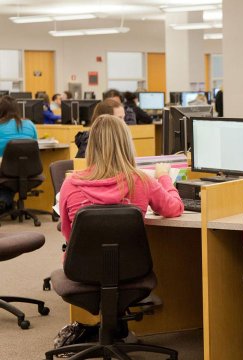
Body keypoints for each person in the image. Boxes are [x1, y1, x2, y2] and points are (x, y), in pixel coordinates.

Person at [58, 114, 183, 341]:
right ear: (126, 143)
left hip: (81, 270)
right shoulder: (142, 181)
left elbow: (68, 234)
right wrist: (164, 177)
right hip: (132, 269)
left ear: (92, 145)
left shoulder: (71, 184)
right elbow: (174, 208)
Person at [0, 96, 38, 212]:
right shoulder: (30, 125)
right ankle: (5, 201)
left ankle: (5, 200)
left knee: (6, 174)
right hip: (30, 171)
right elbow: (35, 145)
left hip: (4, 170)